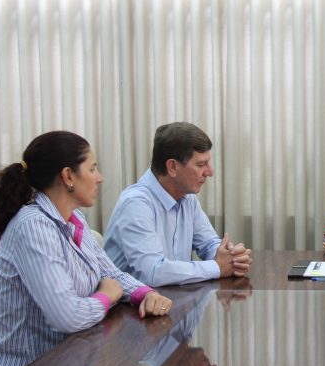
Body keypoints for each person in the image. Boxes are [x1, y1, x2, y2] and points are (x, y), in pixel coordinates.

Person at [0, 131, 172, 366]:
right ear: (68, 176)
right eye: (92, 168)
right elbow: (67, 316)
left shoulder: (74, 218)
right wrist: (106, 296)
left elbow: (111, 274)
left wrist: (145, 294)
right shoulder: (33, 227)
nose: (100, 177)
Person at [104, 122, 252, 287]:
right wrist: (217, 267)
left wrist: (231, 257)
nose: (210, 172)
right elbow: (154, 272)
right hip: (130, 302)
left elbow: (209, 244)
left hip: (170, 297)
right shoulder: (136, 204)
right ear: (173, 167)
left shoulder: (187, 198)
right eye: (201, 165)